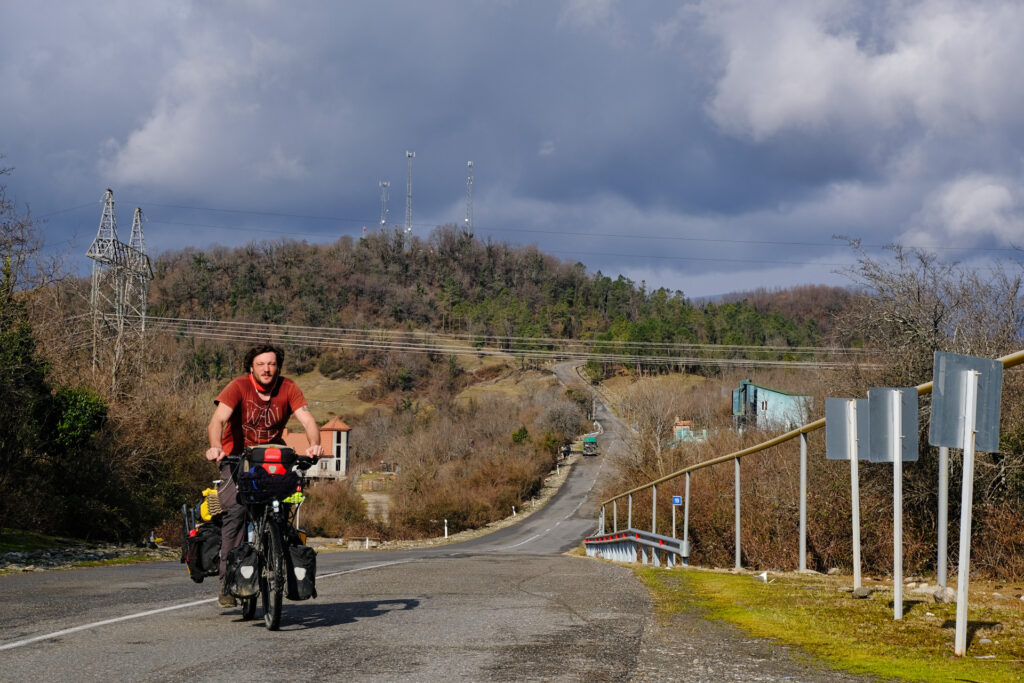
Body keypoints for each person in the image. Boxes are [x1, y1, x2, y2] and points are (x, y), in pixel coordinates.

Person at [205, 343, 324, 608]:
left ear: (278, 367)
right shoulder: (238, 387)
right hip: (236, 458)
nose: (266, 369)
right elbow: (217, 420)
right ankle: (227, 582)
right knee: (236, 512)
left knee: (283, 507)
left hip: (271, 457)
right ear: (251, 367)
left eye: (271, 364)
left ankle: (278, 555)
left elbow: (307, 420)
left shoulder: (288, 387)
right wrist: (215, 446)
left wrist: (315, 444)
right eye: (261, 364)